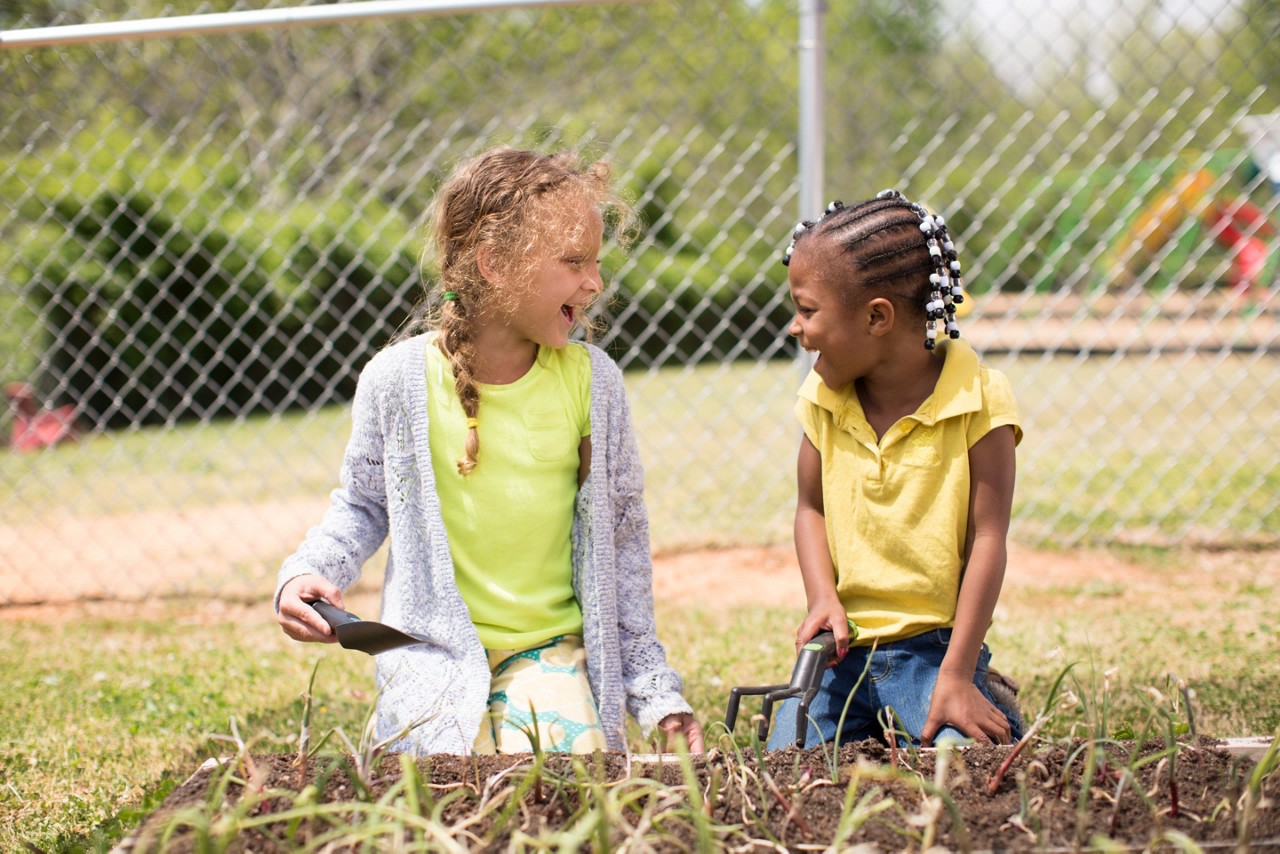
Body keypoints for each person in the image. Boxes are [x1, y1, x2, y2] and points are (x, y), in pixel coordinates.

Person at [273, 146, 703, 756]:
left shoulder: (593, 384)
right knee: (436, 795)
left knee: (569, 792)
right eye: (574, 261)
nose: (595, 282)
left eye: (596, 261)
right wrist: (311, 572)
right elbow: (363, 506)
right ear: (496, 263)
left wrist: (653, 690)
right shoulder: (396, 381)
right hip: (428, 654)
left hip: (550, 652)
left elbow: (623, 541)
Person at [767, 190, 1024, 750]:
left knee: (961, 759)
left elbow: (989, 536)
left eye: (807, 310)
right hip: (842, 656)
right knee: (783, 760)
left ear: (877, 317)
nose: (795, 327)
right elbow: (811, 508)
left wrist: (955, 677)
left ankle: (981, 691)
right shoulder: (823, 398)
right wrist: (823, 599)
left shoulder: (980, 401)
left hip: (933, 652)